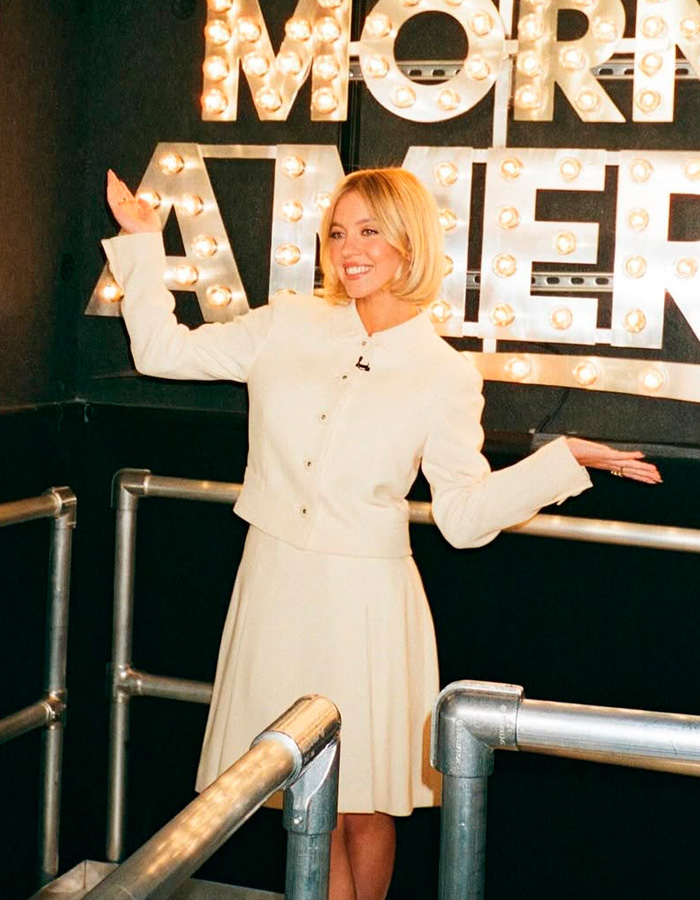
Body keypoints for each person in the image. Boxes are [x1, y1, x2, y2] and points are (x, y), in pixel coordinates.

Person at [104, 166, 661, 900]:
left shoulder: (443, 372)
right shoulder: (286, 323)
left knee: (364, 804)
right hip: (275, 585)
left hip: (366, 601)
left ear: (408, 243)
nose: (350, 248)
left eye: (369, 230)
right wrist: (144, 242)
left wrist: (563, 461)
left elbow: (462, 517)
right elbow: (159, 352)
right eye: (338, 232)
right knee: (300, 796)